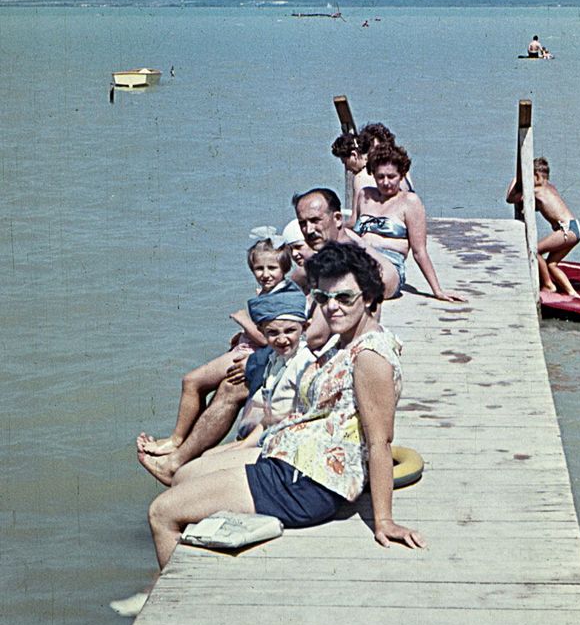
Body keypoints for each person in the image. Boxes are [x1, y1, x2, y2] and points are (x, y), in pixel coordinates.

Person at [146, 242, 425, 569]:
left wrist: (384, 520)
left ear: (368, 297)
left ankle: (173, 598)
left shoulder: (370, 358)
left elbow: (380, 441)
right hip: (294, 456)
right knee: (185, 474)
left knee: (161, 512)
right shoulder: (344, 339)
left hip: (308, 483)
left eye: (344, 297)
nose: (332, 307)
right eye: (323, 298)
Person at [138, 237, 303, 482]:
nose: (265, 274)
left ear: (284, 268)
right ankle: (180, 444)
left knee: (196, 381)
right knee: (195, 382)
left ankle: (177, 445)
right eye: (259, 269)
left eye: (272, 268)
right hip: (250, 349)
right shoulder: (272, 291)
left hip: (254, 354)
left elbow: (276, 334)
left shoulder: (283, 295)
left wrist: (244, 320)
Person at [351, 142, 463, 302]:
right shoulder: (365, 195)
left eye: (391, 176)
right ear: (373, 175)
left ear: (401, 175)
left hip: (388, 266)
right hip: (358, 258)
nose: (386, 182)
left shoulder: (409, 202)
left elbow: (419, 251)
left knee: (362, 280)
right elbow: (351, 227)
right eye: (380, 176)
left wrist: (437, 290)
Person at [506, 157, 580, 296]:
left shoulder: (537, 190)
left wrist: (516, 177)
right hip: (574, 228)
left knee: (534, 249)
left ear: (536, 176)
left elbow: (510, 198)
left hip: (566, 230)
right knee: (551, 264)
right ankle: (572, 293)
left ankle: (548, 285)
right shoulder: (549, 188)